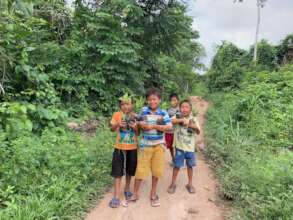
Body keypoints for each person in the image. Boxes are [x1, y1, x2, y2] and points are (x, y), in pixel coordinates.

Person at [129, 88, 172, 207]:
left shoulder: (163, 113)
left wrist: (153, 126)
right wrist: (139, 124)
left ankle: (153, 193)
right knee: (140, 170)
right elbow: (138, 122)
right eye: (149, 99)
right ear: (147, 101)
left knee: (156, 170)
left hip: (159, 145)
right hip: (145, 145)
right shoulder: (143, 110)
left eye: (154, 99)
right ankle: (135, 193)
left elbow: (169, 127)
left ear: (159, 100)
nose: (152, 101)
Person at [108, 94, 139, 208]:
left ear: (132, 104)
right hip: (119, 147)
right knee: (117, 171)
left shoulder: (135, 116)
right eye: (122, 104)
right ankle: (116, 196)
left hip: (132, 147)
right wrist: (117, 124)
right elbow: (111, 129)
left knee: (130, 170)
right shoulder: (117, 115)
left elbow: (138, 133)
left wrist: (135, 127)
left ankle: (127, 189)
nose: (125, 106)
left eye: (127, 104)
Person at [167, 99, 200, 194]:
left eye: (187, 107)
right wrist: (181, 120)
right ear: (179, 108)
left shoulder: (194, 119)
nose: (184, 109)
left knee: (190, 166)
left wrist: (190, 124)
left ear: (190, 109)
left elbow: (198, 131)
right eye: (182, 107)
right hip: (179, 148)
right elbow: (171, 121)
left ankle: (190, 184)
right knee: (176, 166)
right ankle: (173, 184)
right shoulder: (177, 116)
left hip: (190, 149)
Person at [165, 93, 180, 163]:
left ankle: (177, 159)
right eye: (172, 100)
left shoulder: (181, 109)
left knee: (177, 146)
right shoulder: (167, 110)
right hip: (169, 131)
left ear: (178, 100)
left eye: (175, 100)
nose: (173, 102)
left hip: (177, 131)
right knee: (170, 147)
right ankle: (173, 158)